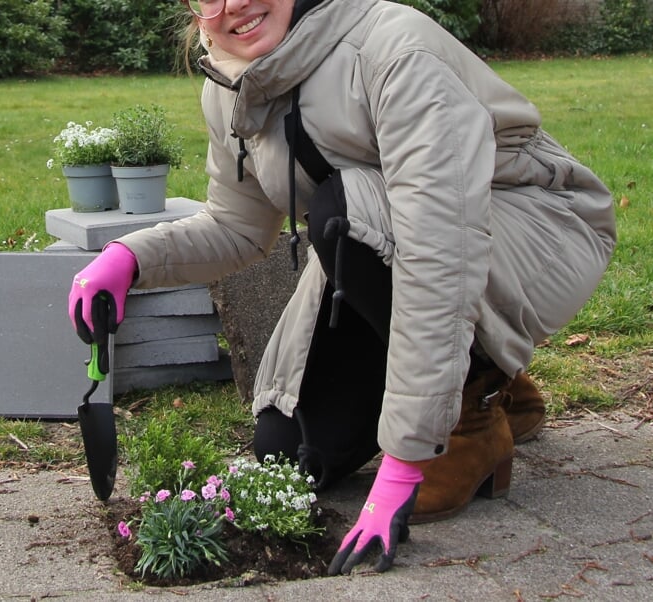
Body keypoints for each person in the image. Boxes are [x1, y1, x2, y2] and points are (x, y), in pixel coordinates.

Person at [67, 0, 616, 575]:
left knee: (338, 212)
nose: (234, 7)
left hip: (530, 223)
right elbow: (237, 228)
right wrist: (129, 259)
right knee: (286, 450)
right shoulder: (232, 80)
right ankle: (488, 376)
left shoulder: (393, 49)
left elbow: (438, 256)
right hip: (380, 243)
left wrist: (404, 461)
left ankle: (472, 404)